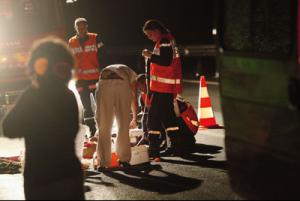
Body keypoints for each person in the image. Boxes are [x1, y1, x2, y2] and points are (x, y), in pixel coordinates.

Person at [2, 38, 84, 200]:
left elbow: (9, 127)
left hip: (39, 176)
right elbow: (69, 131)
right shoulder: (68, 96)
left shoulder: (32, 95)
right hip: (68, 173)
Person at [142, 19, 183, 160]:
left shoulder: (164, 40)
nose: (149, 37)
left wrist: (150, 56)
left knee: (153, 118)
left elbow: (166, 60)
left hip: (163, 87)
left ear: (156, 31)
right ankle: (177, 147)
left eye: (149, 34)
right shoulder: (167, 39)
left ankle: (154, 151)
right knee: (168, 117)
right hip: (166, 87)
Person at [68, 17, 107, 138]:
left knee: (100, 105)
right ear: (75, 28)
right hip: (80, 80)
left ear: (87, 27)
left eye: (83, 27)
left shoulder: (95, 37)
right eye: (79, 27)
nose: (81, 29)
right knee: (86, 107)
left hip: (95, 77)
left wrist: (104, 71)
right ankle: (92, 130)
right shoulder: (71, 42)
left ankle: (103, 129)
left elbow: (103, 54)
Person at [95, 64, 138, 170]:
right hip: (122, 83)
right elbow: (133, 97)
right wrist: (134, 117)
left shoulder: (117, 68)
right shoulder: (132, 75)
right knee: (123, 125)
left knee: (104, 126)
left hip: (104, 81)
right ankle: (124, 159)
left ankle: (103, 162)